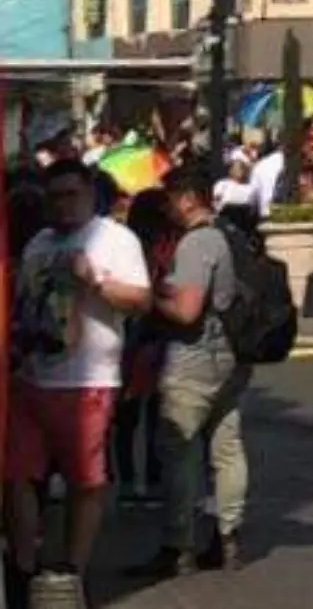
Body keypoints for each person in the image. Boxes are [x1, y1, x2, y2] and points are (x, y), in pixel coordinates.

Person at [6, 161, 152, 605]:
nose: (62, 205)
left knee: (83, 481)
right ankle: (22, 568)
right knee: (18, 476)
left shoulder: (115, 239)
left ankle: (73, 568)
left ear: (90, 193)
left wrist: (97, 280)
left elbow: (141, 301)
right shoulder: (39, 242)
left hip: (87, 378)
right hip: (32, 377)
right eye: (55, 197)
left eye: (71, 194)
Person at [131, 167, 252, 578]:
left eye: (170, 199)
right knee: (227, 446)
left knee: (179, 449)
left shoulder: (198, 241)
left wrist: (151, 300)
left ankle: (177, 543)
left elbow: (186, 312)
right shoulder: (231, 234)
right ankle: (229, 535)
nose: (167, 208)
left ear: (187, 198)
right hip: (231, 355)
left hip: (196, 356)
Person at [117, 189, 176, 507]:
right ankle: (151, 479)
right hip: (155, 332)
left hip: (131, 333)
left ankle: (127, 480)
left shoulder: (127, 242)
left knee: (127, 415)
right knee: (153, 413)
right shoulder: (164, 244)